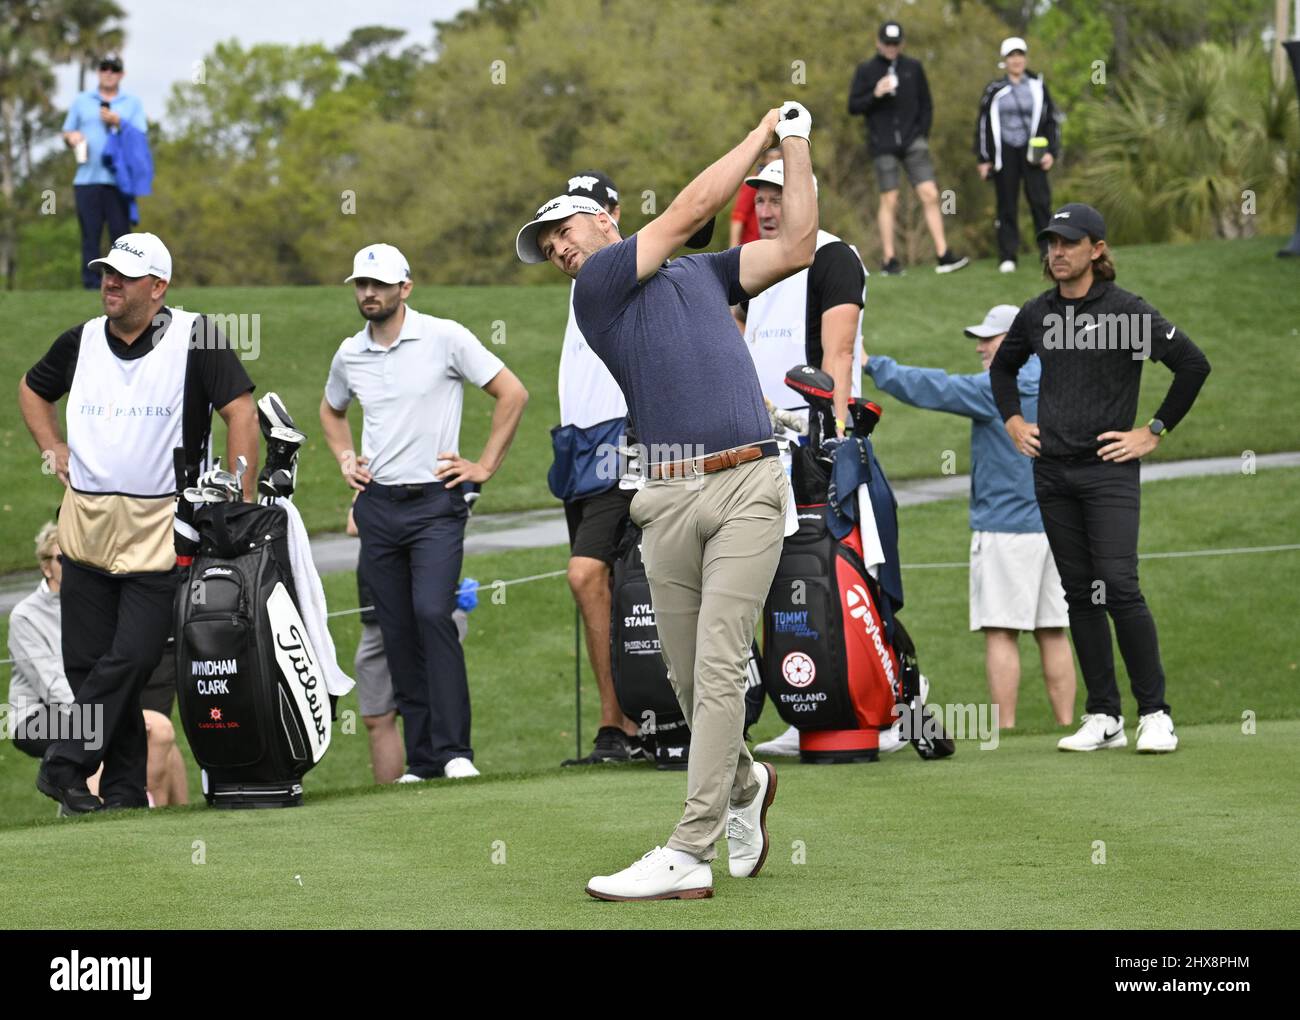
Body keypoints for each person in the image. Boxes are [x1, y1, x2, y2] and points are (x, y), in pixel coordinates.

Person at [516, 100, 815, 900]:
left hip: (751, 480)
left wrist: (792, 143)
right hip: (668, 497)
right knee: (686, 682)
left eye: (564, 233)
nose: (559, 253)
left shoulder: (701, 273)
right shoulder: (600, 289)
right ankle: (749, 786)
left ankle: (689, 849)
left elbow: (796, 244)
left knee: (719, 665)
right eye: (548, 249)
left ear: (603, 220)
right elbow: (689, 210)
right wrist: (758, 133)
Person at [18, 232, 258, 813]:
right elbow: (32, 390)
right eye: (107, 272)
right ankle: (123, 795)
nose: (111, 282)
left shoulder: (197, 337)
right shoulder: (81, 341)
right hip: (85, 528)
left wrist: (239, 502)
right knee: (87, 665)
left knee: (131, 656)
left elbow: (241, 412)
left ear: (157, 287)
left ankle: (66, 761)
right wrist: (53, 449)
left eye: (125, 275)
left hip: (162, 529)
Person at [989, 204, 1211, 753]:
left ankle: (1155, 713)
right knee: (1079, 595)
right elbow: (1002, 367)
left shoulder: (1125, 312)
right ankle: (1104, 715)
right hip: (1053, 474)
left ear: (1097, 249)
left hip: (1109, 472)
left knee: (1119, 585)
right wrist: (1015, 421)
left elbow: (1192, 363)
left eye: (1068, 242)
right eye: (1051, 243)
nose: (1056, 252)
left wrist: (1152, 431)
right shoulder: (1037, 313)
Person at [320, 243, 528, 782]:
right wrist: (346, 458)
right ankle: (423, 760)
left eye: (379, 285)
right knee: (397, 630)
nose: (368, 294)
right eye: (361, 285)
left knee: (433, 615)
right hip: (378, 506)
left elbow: (512, 393)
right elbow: (331, 409)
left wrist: (483, 464)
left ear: (404, 289)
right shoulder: (350, 353)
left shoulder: (445, 338)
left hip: (436, 504)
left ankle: (456, 750)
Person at [863, 305, 1076, 729]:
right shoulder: (1060, 380)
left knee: (1001, 631)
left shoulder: (997, 388)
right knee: (1053, 631)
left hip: (1004, 529)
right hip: (1059, 529)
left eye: (990, 338)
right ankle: (1069, 724)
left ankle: (1006, 729)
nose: (981, 347)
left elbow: (931, 388)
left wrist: (872, 365)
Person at [549, 171, 651, 765]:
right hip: (582, 451)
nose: (562, 245)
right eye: (554, 237)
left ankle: (629, 723)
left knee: (587, 575)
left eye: (579, 221)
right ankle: (620, 723)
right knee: (601, 584)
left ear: (610, 215)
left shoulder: (627, 265)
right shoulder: (580, 278)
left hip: (622, 448)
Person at [6, 523, 188, 807]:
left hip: (90, 705)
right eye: (61, 559)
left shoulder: (93, 603)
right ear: (46, 567)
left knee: (162, 732)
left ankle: (167, 811)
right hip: (36, 718)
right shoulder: (25, 615)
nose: (69, 565)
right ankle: (87, 813)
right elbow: (52, 684)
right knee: (98, 737)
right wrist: (105, 713)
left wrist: (109, 710)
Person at [345, 500, 474, 784]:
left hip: (427, 597)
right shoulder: (370, 469)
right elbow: (354, 523)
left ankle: (453, 755)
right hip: (377, 601)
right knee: (377, 714)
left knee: (434, 676)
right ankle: (418, 769)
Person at [734, 159, 866, 430]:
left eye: (777, 201)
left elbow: (840, 353)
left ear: (806, 204)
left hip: (815, 421)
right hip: (762, 421)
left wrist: (834, 428)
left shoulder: (834, 256)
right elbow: (738, 319)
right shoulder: (756, 258)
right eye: (760, 201)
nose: (765, 212)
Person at [847, 20, 967, 276]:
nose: (891, 48)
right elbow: (854, 106)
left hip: (913, 141)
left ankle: (943, 255)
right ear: (878, 42)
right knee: (890, 198)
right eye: (887, 43)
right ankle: (890, 260)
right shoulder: (866, 70)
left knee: (931, 193)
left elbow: (927, 104)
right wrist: (875, 94)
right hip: (883, 144)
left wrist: (921, 133)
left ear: (902, 43)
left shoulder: (913, 67)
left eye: (895, 43)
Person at [60, 52, 148, 290]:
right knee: (90, 235)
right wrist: (72, 137)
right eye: (104, 68)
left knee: (122, 238)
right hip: (86, 180)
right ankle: (91, 286)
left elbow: (140, 137)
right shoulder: (82, 101)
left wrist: (119, 122)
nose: (108, 72)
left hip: (119, 181)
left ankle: (125, 285)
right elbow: (67, 132)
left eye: (114, 68)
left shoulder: (132, 103)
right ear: (98, 71)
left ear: (122, 74)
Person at [975, 38, 1061, 273]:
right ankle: (1007, 256)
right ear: (1005, 60)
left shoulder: (1037, 86)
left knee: (1041, 203)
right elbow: (982, 125)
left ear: (1025, 58)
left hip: (1032, 151)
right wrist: (984, 159)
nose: (1016, 60)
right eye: (1011, 56)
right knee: (1006, 205)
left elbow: (1051, 121)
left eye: (1020, 55)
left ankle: (1049, 253)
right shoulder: (994, 90)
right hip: (1005, 152)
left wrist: (1052, 152)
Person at [729, 146, 781, 248]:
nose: (773, 161)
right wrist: (732, 252)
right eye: (770, 157)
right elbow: (738, 216)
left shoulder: (786, 182)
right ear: (764, 159)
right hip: (751, 246)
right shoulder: (756, 183)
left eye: (778, 157)